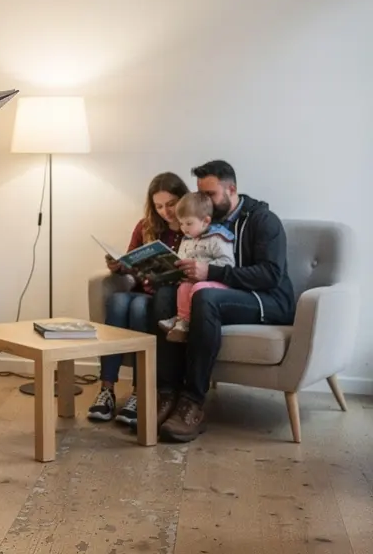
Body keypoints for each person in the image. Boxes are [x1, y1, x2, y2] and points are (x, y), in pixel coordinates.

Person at [157, 159, 294, 442]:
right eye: (200, 193)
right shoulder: (208, 222)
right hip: (226, 293)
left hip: (267, 300)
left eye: (210, 194)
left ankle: (192, 403)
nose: (203, 200)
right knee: (166, 295)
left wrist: (211, 272)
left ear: (231, 189)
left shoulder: (263, 221)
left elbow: (270, 274)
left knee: (207, 298)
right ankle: (166, 392)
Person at [88, 171, 189, 426]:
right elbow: (133, 262)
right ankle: (107, 389)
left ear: (183, 198)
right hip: (143, 290)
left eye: (170, 204)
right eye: (158, 206)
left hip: (169, 298)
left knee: (140, 307)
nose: (165, 211)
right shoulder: (147, 226)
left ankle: (139, 393)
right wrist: (119, 265)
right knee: (119, 301)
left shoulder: (192, 225)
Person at [157, 192, 232, 341]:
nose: (184, 228)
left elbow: (228, 263)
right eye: (181, 223)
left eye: (189, 223)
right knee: (184, 287)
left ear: (205, 221)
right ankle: (182, 320)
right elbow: (182, 259)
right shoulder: (187, 240)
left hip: (217, 283)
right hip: (192, 280)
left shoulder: (217, 238)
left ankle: (185, 322)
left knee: (198, 289)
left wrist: (205, 268)